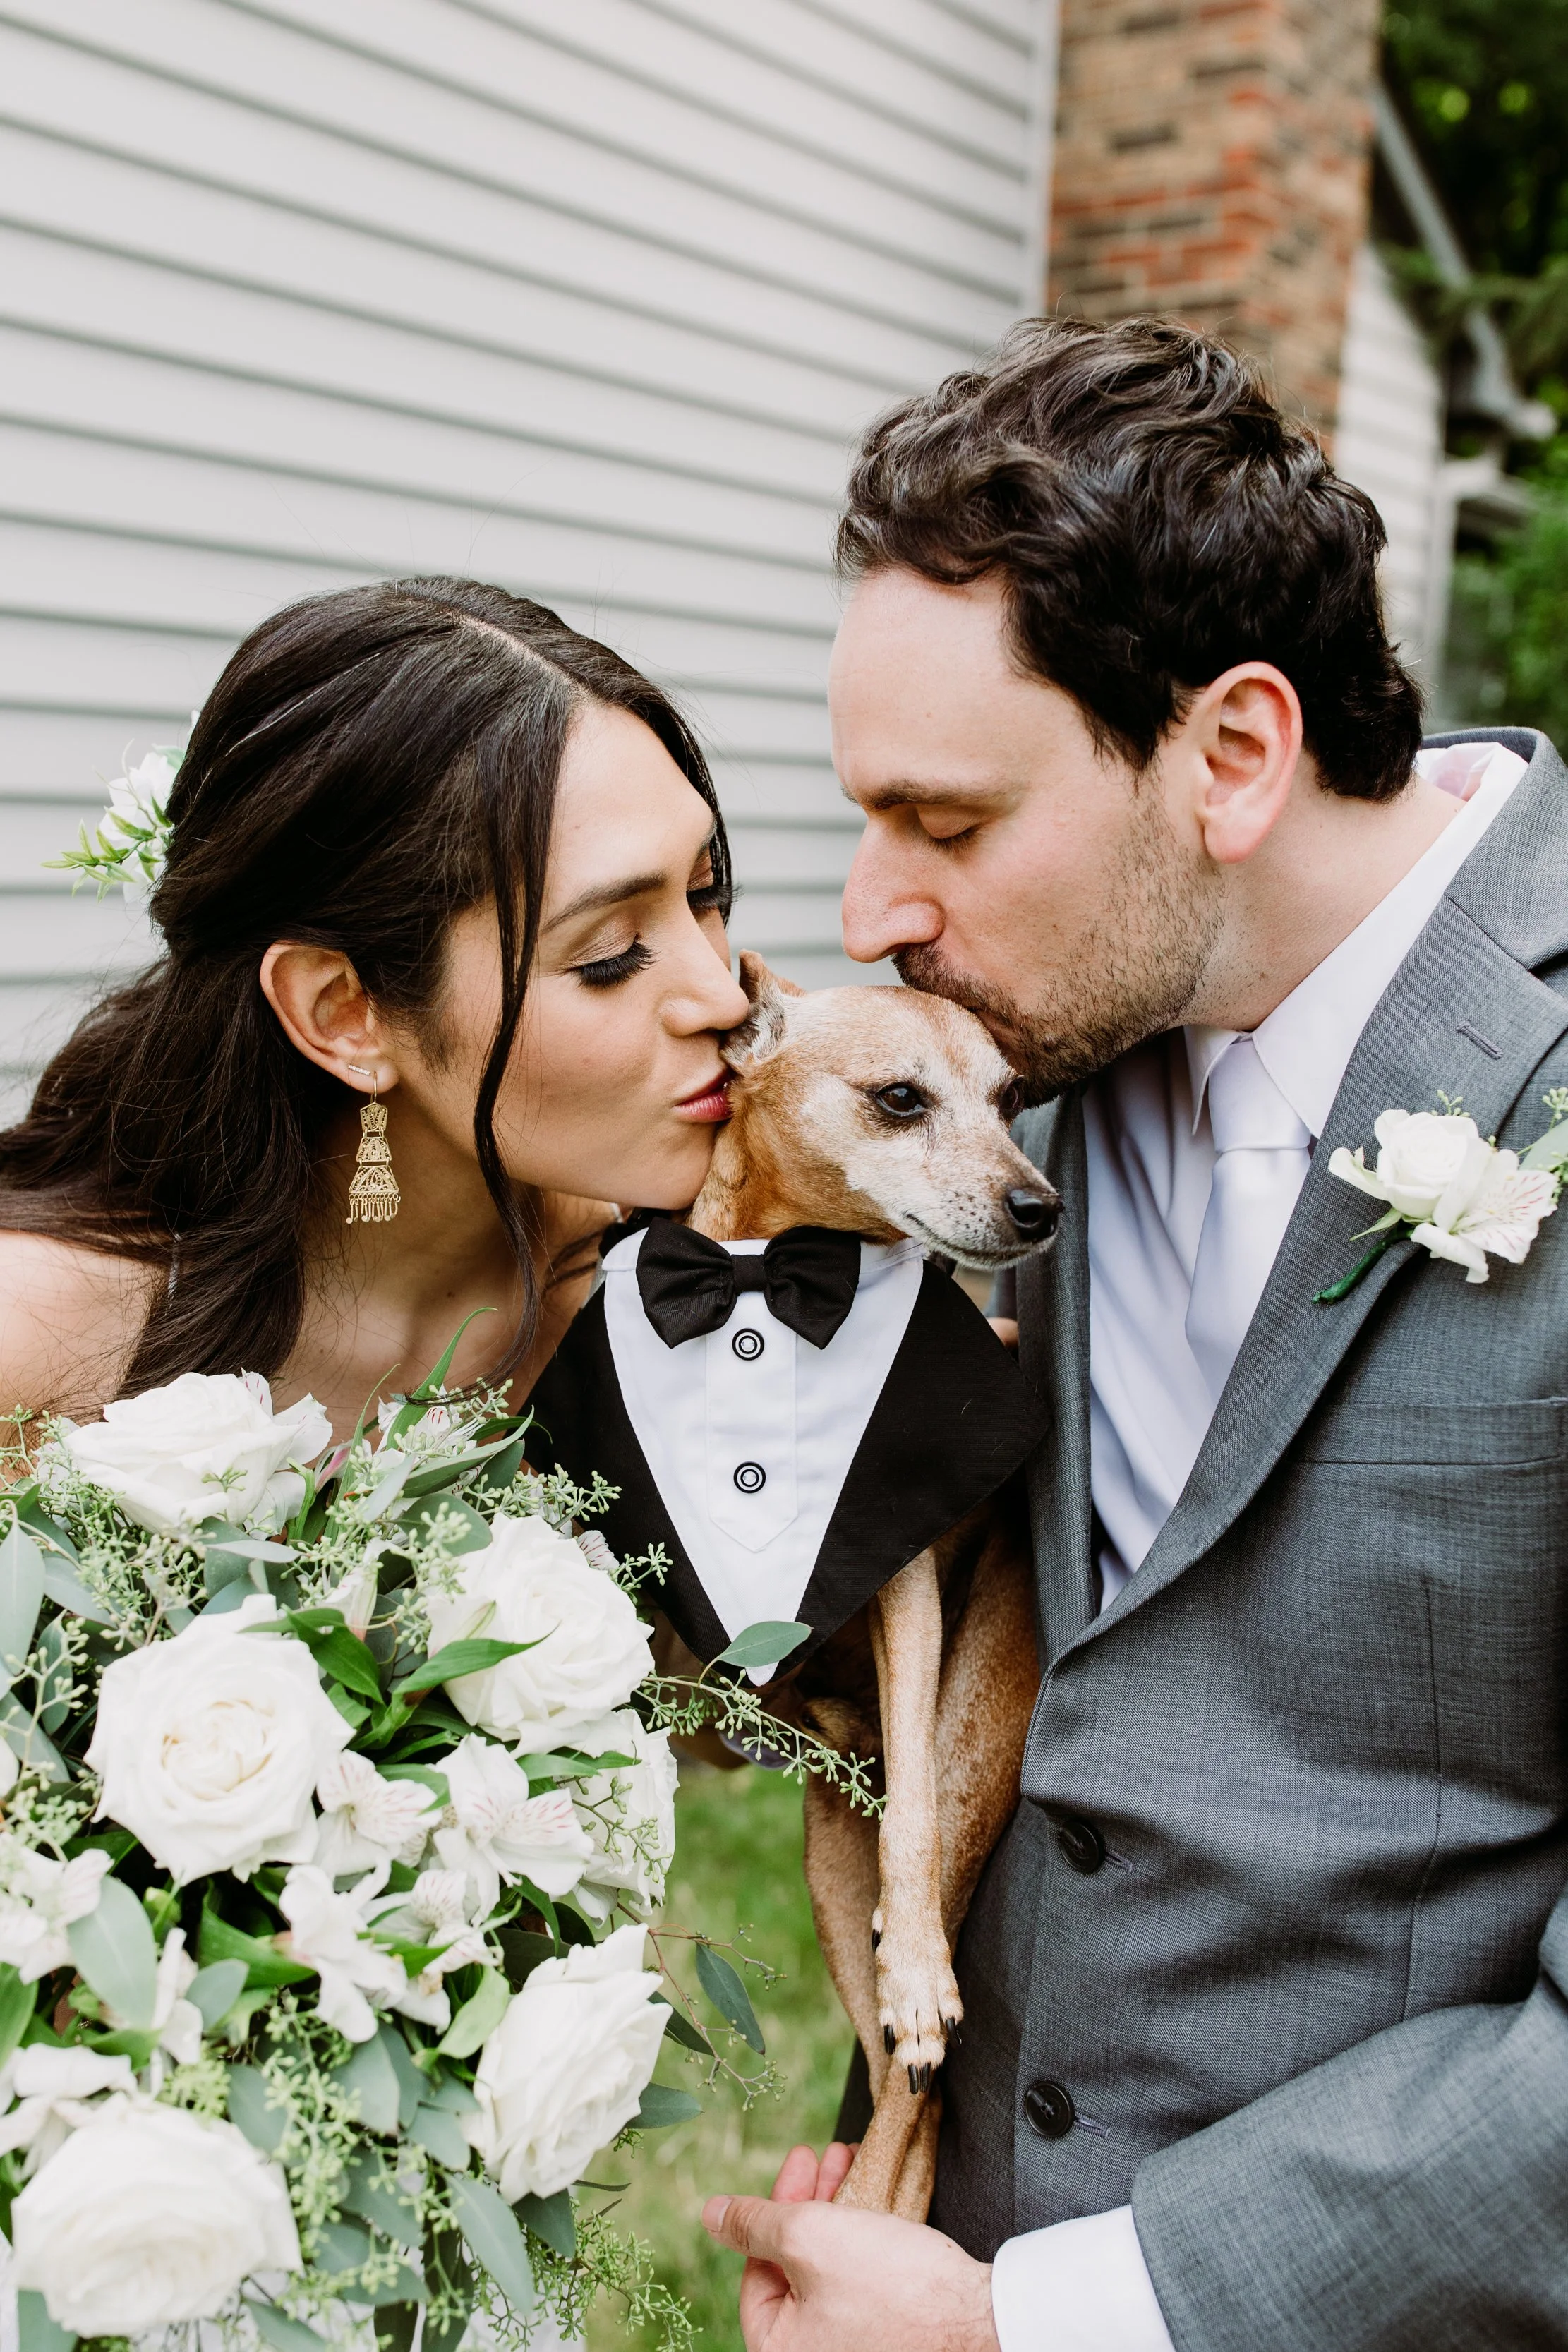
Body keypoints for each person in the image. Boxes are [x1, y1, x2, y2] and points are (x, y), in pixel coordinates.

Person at [701, 319, 1568, 2347]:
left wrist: (1052, 2319)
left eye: (946, 821)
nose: (873, 903)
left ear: (1232, 754)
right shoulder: (1016, 1081)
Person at [0, 576, 747, 1436]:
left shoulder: (682, 1272)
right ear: (342, 1013)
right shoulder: (42, 1343)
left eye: (704, 891)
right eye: (608, 954)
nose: (722, 996)